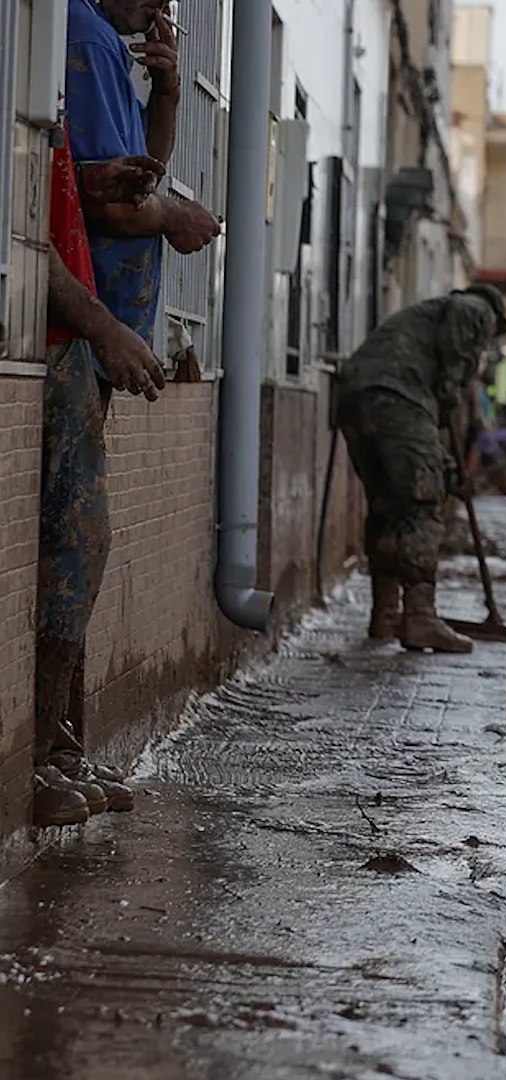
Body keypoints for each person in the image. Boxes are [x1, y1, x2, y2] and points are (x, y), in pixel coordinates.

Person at [31, 136, 171, 827]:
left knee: (81, 550)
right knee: (77, 544)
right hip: (51, 338)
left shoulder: (62, 71)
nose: (155, 18)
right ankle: (39, 753)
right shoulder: (51, 36)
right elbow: (24, 231)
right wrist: (102, 327)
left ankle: (57, 744)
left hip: (71, 338)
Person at [336, 286, 506, 654]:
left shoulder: (424, 318)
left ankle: (385, 612)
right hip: (397, 396)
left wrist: (447, 452)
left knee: (386, 505)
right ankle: (419, 616)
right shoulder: (474, 308)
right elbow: (450, 381)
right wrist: (451, 390)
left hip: (355, 396)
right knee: (423, 503)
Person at [67, 0, 223, 351]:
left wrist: (167, 91)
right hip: (82, 324)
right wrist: (174, 215)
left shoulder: (101, 39)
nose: (163, 4)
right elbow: (107, 202)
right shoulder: (90, 39)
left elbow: (146, 169)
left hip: (99, 330)